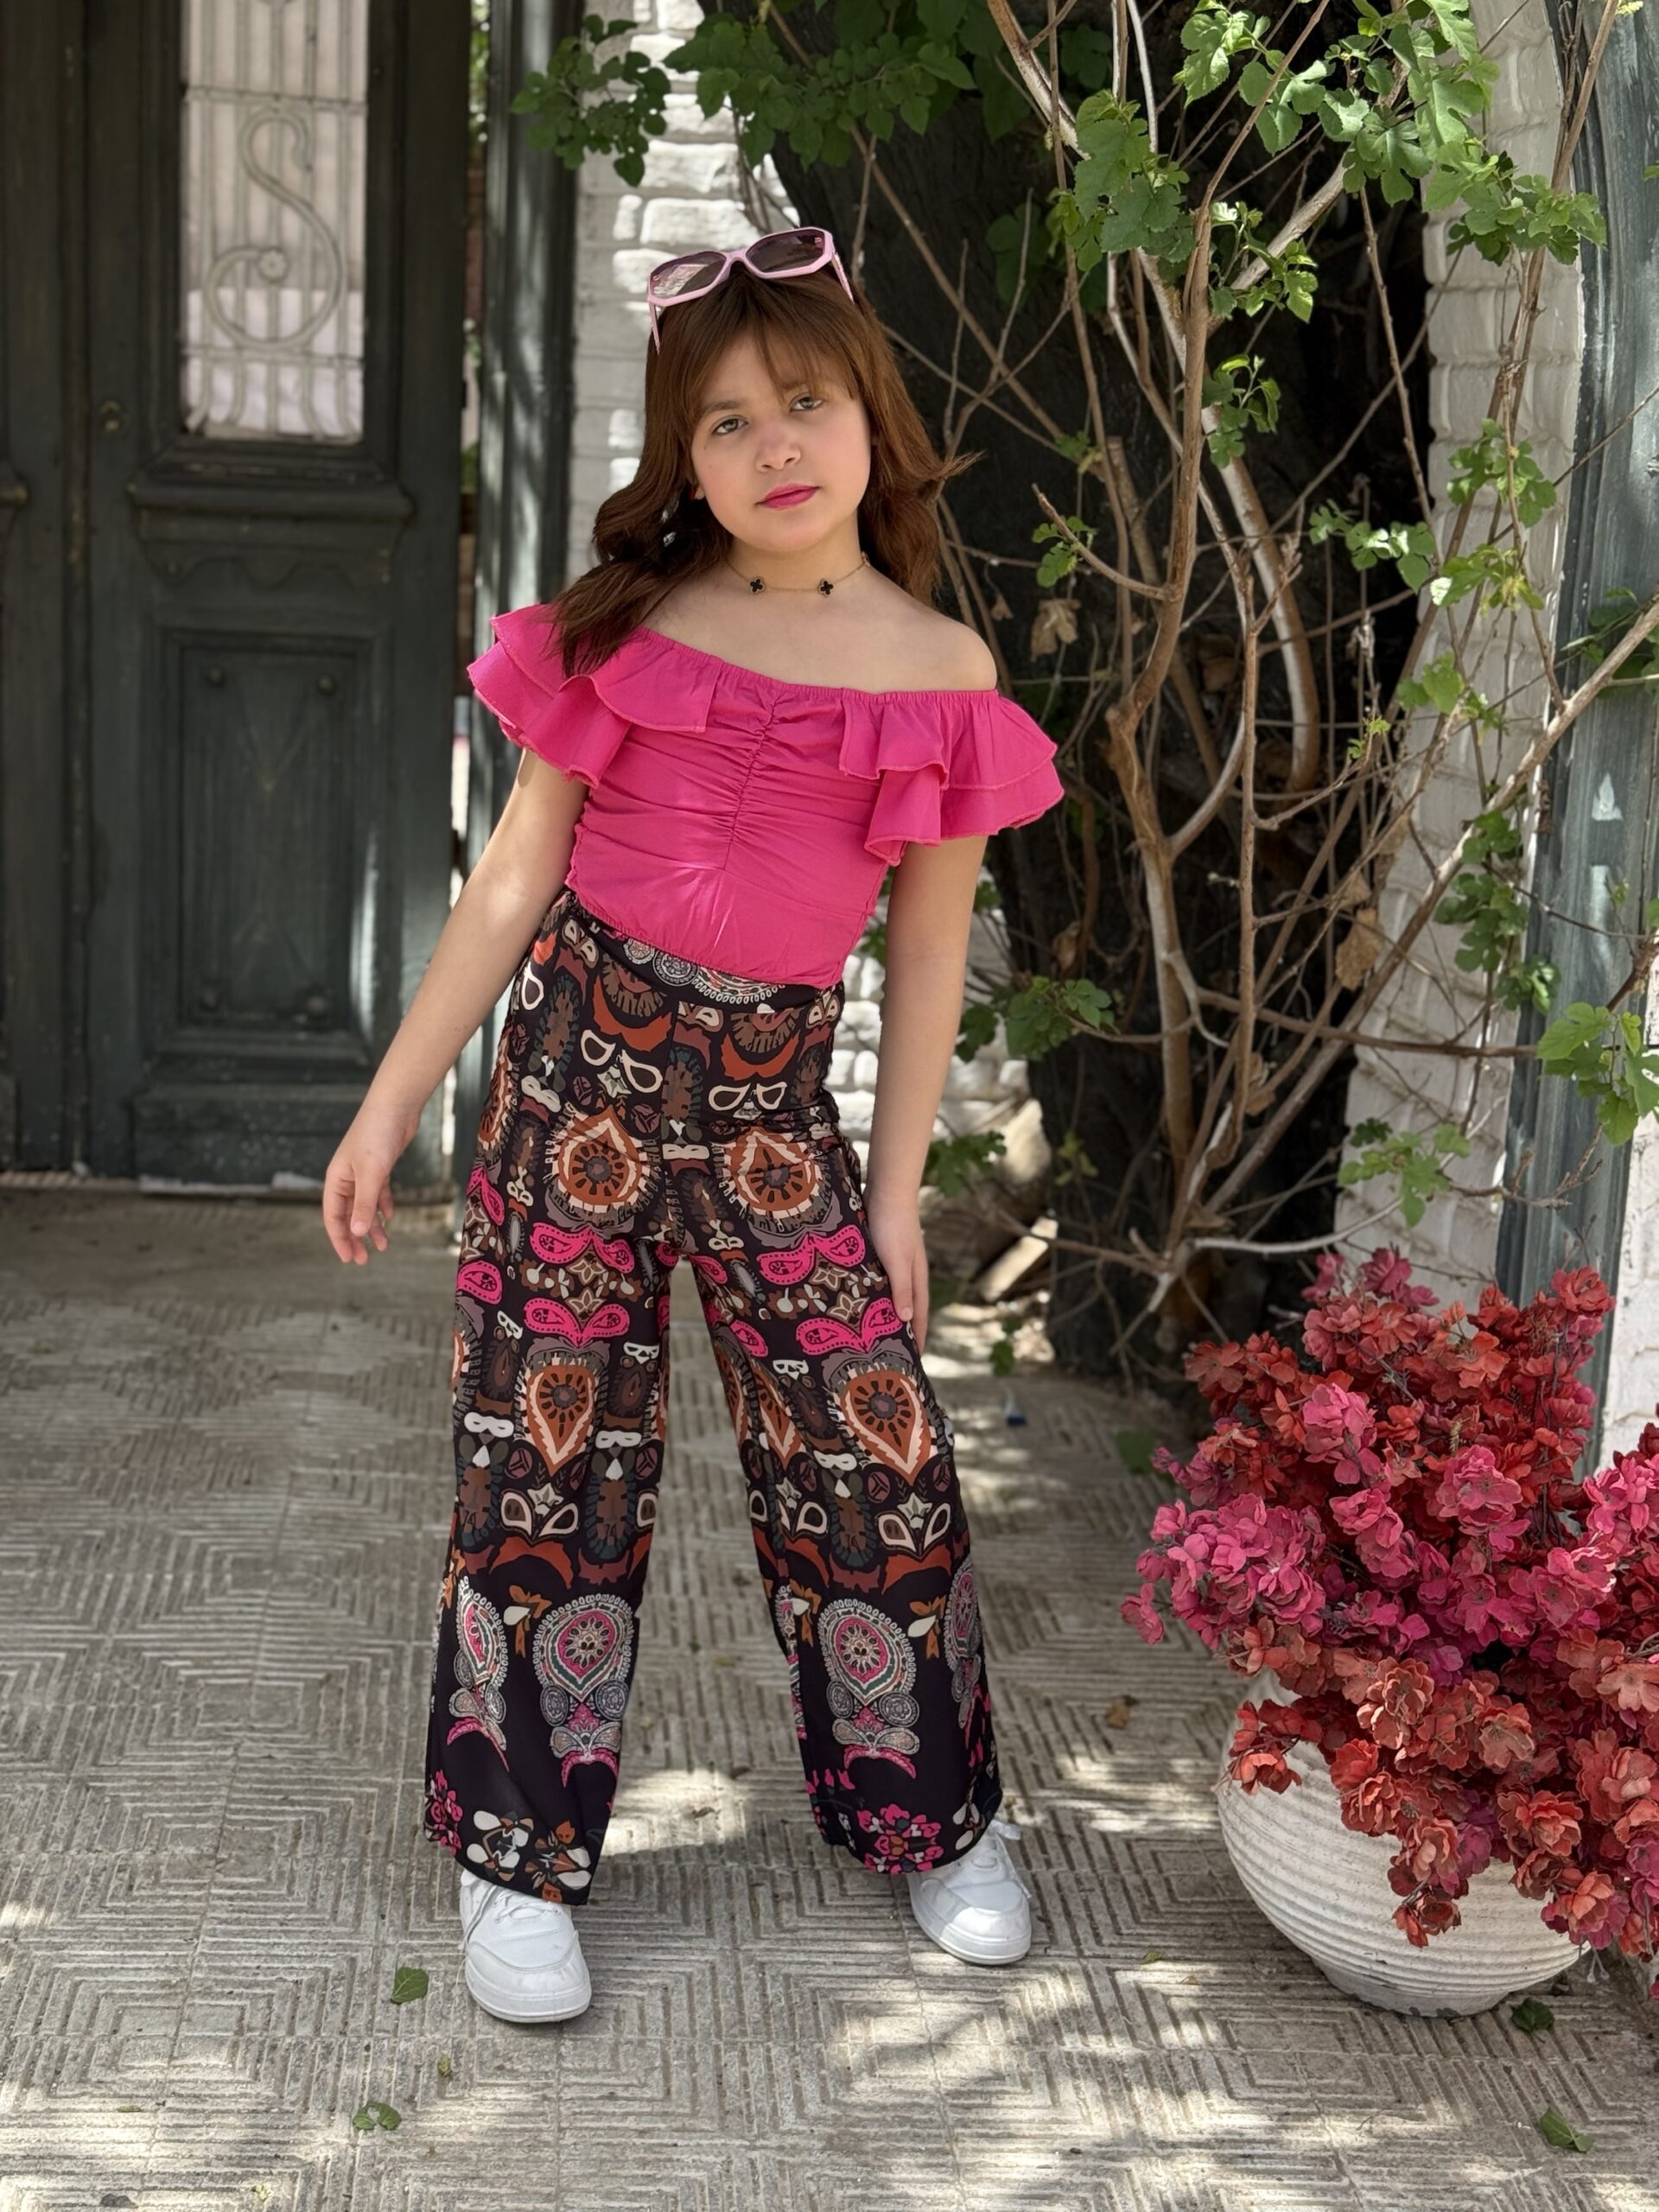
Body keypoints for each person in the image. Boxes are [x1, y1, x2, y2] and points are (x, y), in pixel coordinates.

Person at [321, 226, 1065, 2024]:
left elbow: (930, 948)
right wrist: (392, 1098)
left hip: (770, 1112)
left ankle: (933, 1812)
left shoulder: (942, 669)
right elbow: (512, 884)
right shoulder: (627, 630)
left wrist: (899, 1194)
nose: (774, 445)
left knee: (874, 1459)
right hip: (571, 1085)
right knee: (548, 1467)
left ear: (871, 417)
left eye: (805, 402)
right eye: (726, 421)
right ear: (684, 455)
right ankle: (517, 1856)